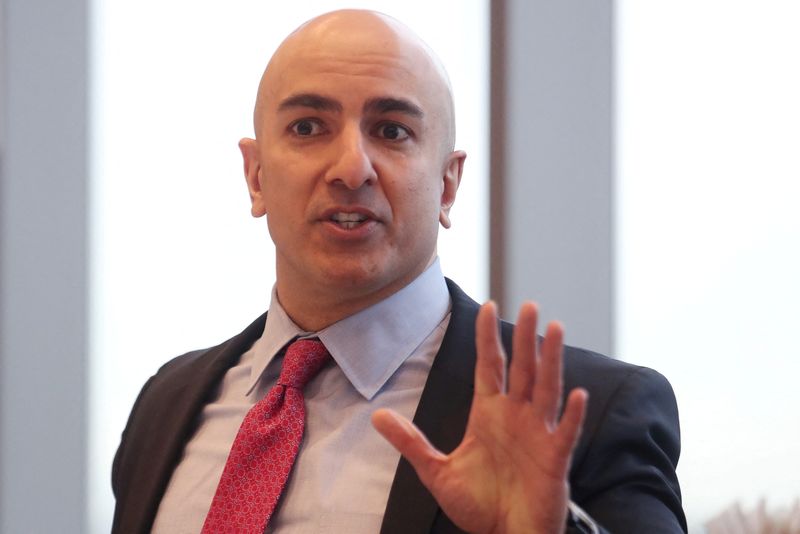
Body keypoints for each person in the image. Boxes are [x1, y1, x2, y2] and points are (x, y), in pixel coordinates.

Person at [111, 9, 686, 534]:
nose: (351, 168)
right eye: (308, 127)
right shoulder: (168, 402)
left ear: (447, 184)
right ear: (256, 176)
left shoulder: (587, 414)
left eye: (391, 131)